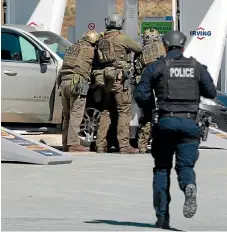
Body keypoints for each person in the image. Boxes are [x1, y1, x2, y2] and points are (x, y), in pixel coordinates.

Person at [134, 31, 216, 228]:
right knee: (185, 167)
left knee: (162, 169)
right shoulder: (196, 67)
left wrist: (150, 109)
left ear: (165, 46)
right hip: (190, 124)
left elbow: (140, 94)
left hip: (165, 123)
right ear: (183, 46)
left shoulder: (157, 66)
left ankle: (162, 217)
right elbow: (211, 92)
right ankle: (188, 185)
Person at [95, 13, 142, 154]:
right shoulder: (122, 38)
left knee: (105, 111)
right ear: (120, 24)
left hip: (104, 79)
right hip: (119, 78)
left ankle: (100, 145)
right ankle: (124, 145)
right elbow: (139, 48)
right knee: (124, 110)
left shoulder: (101, 39)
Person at [57, 30, 100, 152]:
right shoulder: (91, 50)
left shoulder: (72, 48)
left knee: (67, 116)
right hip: (77, 83)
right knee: (76, 115)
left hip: (64, 81)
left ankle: (65, 143)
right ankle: (73, 144)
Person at [134, 28, 166, 153]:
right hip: (161, 85)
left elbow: (136, 69)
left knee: (146, 115)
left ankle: (142, 144)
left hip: (145, 85)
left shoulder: (140, 50)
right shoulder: (163, 48)